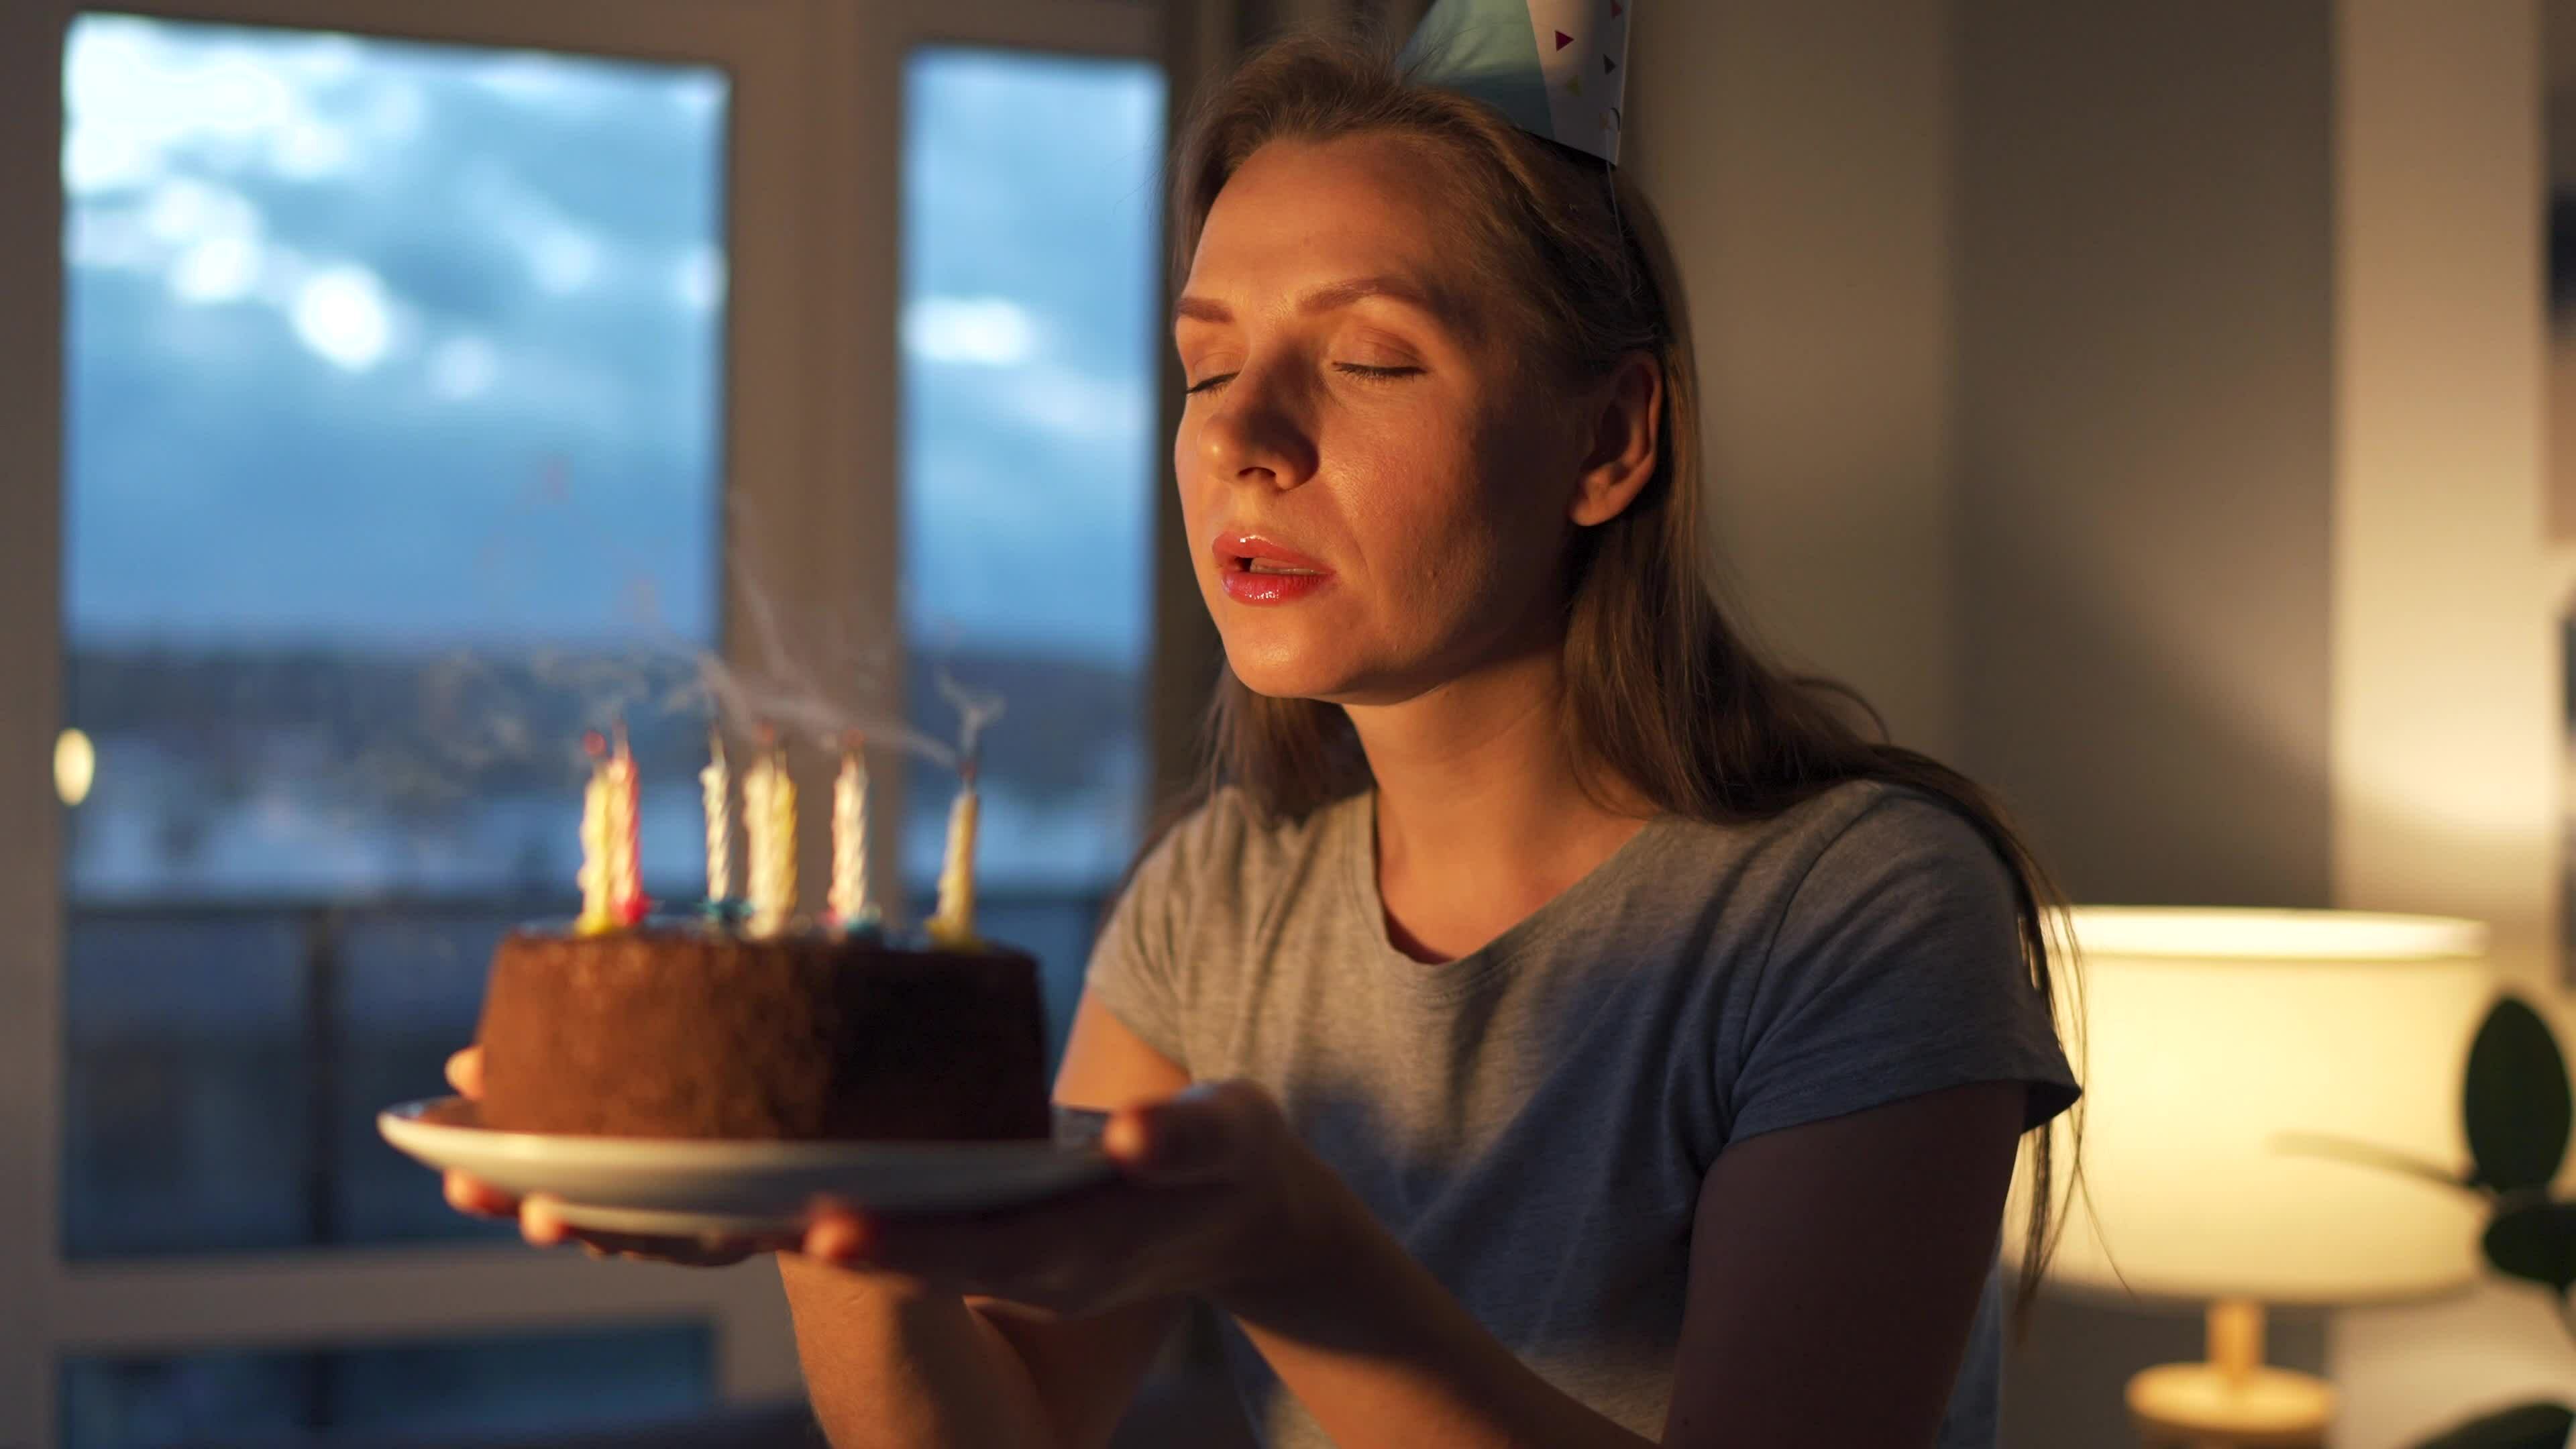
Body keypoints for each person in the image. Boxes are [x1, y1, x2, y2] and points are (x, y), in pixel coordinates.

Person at [445, 14, 2083, 1448]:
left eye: (1370, 357)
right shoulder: (1219, 902)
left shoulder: (1858, 917)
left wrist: (1297, 1261)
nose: (1245, 434)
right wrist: (820, 1185)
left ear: (1609, 438)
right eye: (1204, 364)